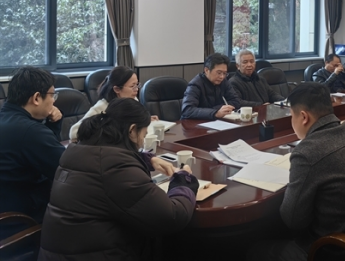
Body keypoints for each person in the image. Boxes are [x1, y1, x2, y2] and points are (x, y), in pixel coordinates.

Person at [38, 98, 199, 260]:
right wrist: (183, 181)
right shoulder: (116, 169)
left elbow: (103, 165)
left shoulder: (77, 151)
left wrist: (145, 159)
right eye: (143, 135)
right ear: (132, 130)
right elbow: (171, 217)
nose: (142, 142)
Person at [248, 82, 345, 261]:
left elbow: (293, 220)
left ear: (303, 117)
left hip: (339, 251)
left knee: (254, 249)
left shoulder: (307, 152)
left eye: (292, 116)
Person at [0, 66, 65, 232]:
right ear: (36, 98)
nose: (54, 101)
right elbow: (66, 168)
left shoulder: (8, 120)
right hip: (22, 222)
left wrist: (53, 125)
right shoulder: (30, 131)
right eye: (52, 95)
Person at [70, 66, 156, 141]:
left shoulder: (133, 100)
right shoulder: (102, 107)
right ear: (117, 89)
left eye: (137, 85)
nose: (136, 89)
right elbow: (74, 132)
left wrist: (144, 119)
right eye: (132, 86)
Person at [181, 53, 241, 120]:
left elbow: (236, 101)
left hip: (214, 121)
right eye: (219, 73)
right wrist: (215, 112)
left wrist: (216, 110)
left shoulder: (223, 81)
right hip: (194, 123)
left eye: (224, 73)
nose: (222, 77)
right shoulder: (195, 85)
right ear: (206, 70)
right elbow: (187, 110)